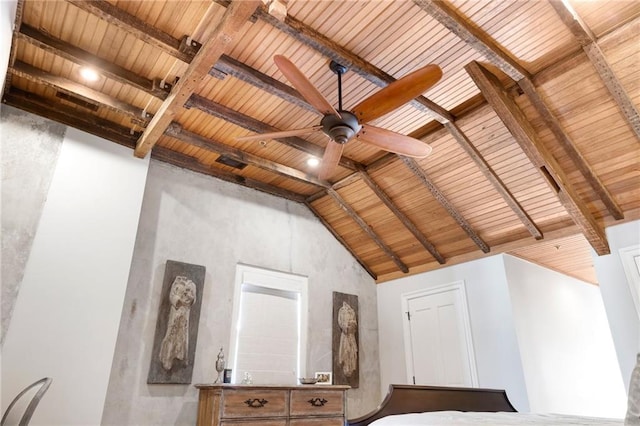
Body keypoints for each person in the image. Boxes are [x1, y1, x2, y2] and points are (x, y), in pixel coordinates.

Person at [159, 276, 197, 370]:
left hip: (185, 312)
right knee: (172, 333)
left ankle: (181, 357)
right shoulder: (177, 282)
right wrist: (178, 300)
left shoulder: (192, 285)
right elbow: (172, 295)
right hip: (176, 311)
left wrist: (189, 297)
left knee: (182, 335)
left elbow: (193, 299)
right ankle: (167, 358)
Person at [338, 301, 358, 377]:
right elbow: (340, 321)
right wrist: (345, 327)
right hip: (345, 334)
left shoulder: (352, 311)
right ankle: (346, 366)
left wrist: (352, 325)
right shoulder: (341, 311)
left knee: (352, 352)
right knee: (346, 351)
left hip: (351, 334)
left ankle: (351, 367)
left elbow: (354, 322)